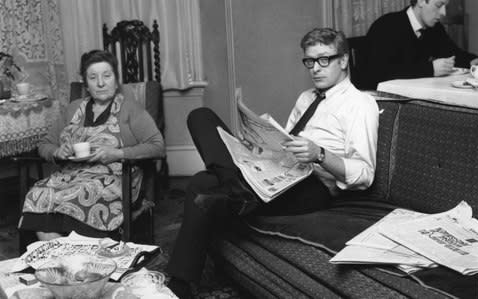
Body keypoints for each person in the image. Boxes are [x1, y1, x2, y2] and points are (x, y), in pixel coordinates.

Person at [166, 28, 379, 298]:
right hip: (280, 173)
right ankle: (237, 185)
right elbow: (284, 146)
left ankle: (178, 286)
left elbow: (364, 174)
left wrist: (320, 154)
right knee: (201, 116)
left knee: (201, 183)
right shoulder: (306, 98)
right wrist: (258, 147)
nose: (315, 68)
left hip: (314, 188)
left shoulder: (361, 104)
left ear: (344, 60)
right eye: (310, 61)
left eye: (324, 59)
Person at [18, 50, 165, 241]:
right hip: (69, 177)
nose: (101, 83)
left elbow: (157, 146)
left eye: (107, 76)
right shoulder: (73, 108)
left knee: (84, 192)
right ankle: (64, 261)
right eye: (93, 77)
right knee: (38, 193)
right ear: (86, 84)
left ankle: (74, 259)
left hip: (114, 180)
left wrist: (117, 153)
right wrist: (57, 151)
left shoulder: (130, 109)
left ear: (116, 80)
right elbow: (45, 144)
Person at [363, 0, 478, 89]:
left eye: (445, 6)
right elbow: (379, 72)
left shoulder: (434, 28)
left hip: (414, 94)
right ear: (420, 1)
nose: (443, 13)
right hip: (382, 99)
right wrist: (430, 69)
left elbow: (452, 52)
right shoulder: (386, 26)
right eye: (439, 5)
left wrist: (472, 61)